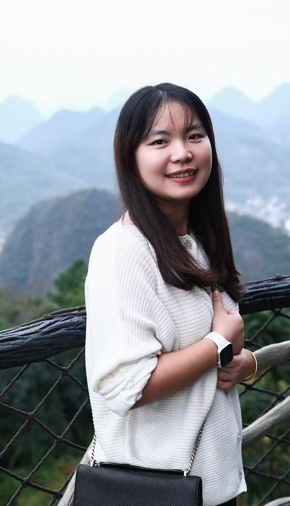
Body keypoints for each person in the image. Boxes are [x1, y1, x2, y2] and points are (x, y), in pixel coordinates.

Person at [84, 83, 256, 506]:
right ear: (131, 157)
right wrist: (217, 345)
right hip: (154, 490)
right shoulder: (122, 250)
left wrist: (245, 362)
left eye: (194, 136)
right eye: (160, 141)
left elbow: (210, 346)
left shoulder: (198, 240)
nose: (182, 153)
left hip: (210, 488)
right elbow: (126, 386)